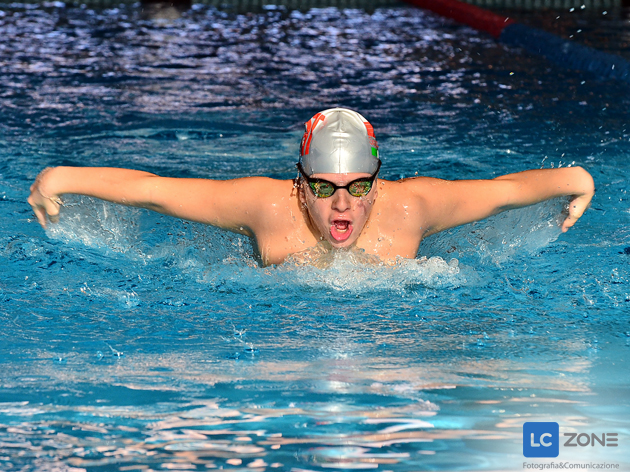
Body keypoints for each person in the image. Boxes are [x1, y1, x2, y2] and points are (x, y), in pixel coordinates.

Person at [28, 108, 595, 267]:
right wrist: (61, 178)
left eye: (357, 187)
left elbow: (502, 190)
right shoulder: (265, 206)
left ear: (377, 184)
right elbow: (156, 190)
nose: (342, 203)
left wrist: (578, 179)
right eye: (324, 189)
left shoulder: (413, 206)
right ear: (300, 187)